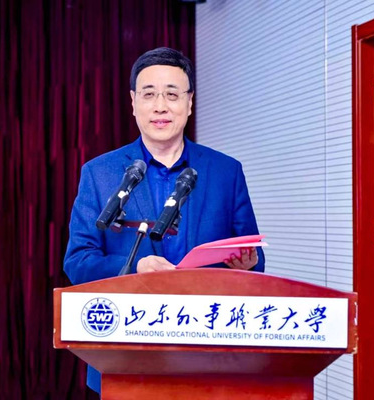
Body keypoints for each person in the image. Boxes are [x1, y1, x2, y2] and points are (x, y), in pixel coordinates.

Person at [63, 47, 265, 396]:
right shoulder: (100, 173)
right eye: (149, 94)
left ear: (189, 102)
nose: (161, 106)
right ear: (133, 102)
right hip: (125, 356)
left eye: (172, 95)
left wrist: (248, 264)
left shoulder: (226, 171)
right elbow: (78, 261)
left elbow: (254, 259)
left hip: (208, 356)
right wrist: (135, 268)